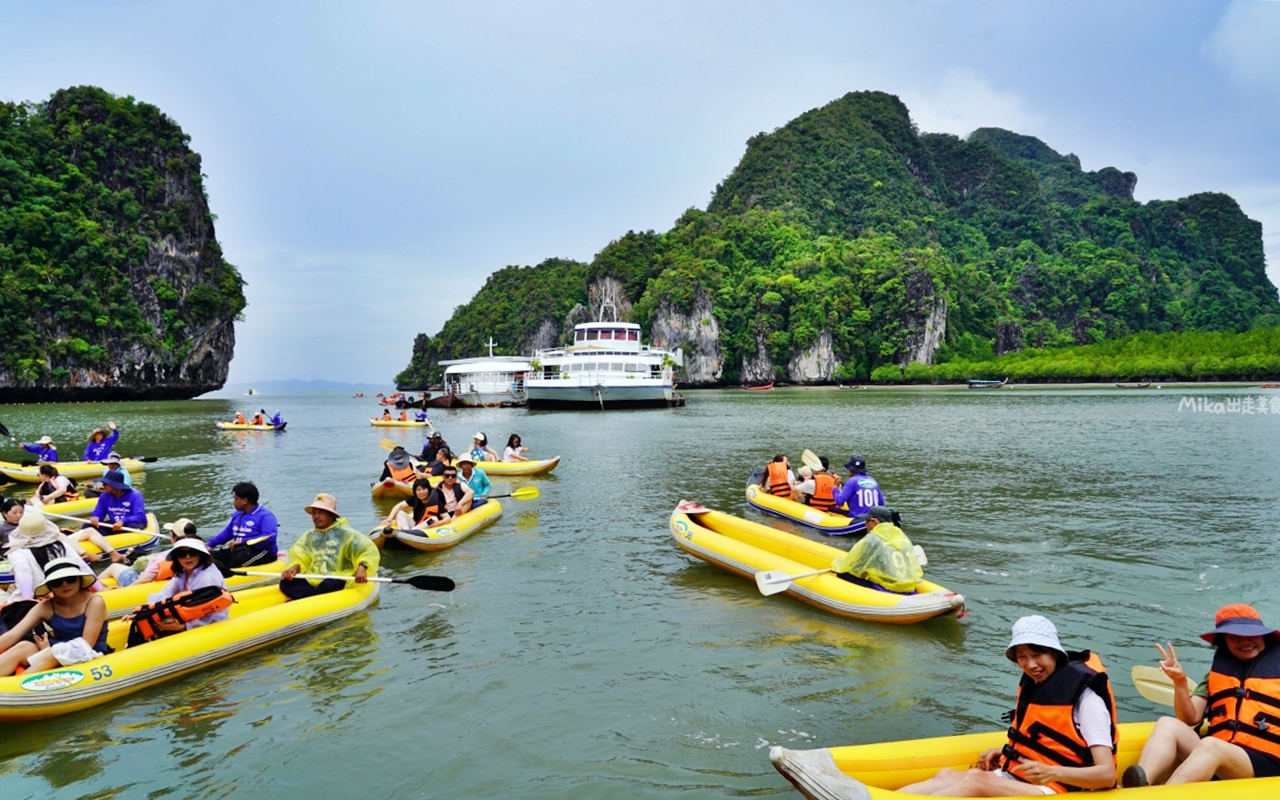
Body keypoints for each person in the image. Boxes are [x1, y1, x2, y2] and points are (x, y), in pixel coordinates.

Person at [899, 616, 1118, 796]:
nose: (1030, 665)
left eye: (1037, 654)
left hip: (1060, 788)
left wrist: (1052, 772)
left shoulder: (1088, 702)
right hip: (1026, 779)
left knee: (976, 781)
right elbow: (1041, 743)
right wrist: (1008, 754)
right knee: (945, 775)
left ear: (1054, 653)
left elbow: (1106, 775)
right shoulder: (1037, 687)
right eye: (1022, 657)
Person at [1120, 604, 1280, 788]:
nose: (1245, 642)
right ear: (1223, 642)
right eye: (1235, 636)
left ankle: (1161, 795)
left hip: (1267, 764)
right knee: (1167, 724)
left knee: (1211, 746)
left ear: (1264, 636)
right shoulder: (1216, 675)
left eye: (1252, 635)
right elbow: (1190, 717)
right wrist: (1180, 682)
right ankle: (1138, 786)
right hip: (1221, 753)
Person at [0, 557, 109, 676]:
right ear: (50, 587)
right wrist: (49, 650)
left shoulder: (94, 602)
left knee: (55, 652)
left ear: (79, 580)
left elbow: (86, 644)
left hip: (89, 653)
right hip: (55, 651)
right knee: (24, 646)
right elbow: (12, 635)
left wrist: (51, 651)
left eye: (70, 579)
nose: (65, 585)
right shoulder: (46, 606)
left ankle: (17, 687)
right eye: (57, 582)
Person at [279, 494, 379, 600]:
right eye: (314, 513)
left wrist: (362, 567)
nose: (316, 516)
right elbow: (300, 556)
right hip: (314, 578)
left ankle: (302, 597)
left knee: (330, 584)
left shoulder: (346, 533)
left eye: (321, 512)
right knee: (285, 583)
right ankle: (311, 596)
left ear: (331, 515)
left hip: (338, 577)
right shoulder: (309, 535)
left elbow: (367, 550)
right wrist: (294, 568)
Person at [4, 509, 102, 600]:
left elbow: (24, 572)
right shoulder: (62, 546)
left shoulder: (17, 551)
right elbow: (82, 566)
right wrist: (100, 589)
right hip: (65, 592)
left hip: (36, 597)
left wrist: (28, 600)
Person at [144, 538, 230, 631]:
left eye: (193, 553)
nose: (187, 557)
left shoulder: (208, 577)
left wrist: (183, 627)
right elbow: (165, 595)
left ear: (201, 554)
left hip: (210, 625)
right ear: (177, 557)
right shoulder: (183, 572)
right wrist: (144, 612)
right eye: (182, 554)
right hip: (187, 617)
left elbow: (207, 612)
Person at [830, 507, 922, 593]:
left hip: (889, 589)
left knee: (843, 574)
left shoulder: (872, 539)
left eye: (867, 520)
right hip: (910, 588)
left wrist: (837, 565)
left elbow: (854, 568)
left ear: (875, 521)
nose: (865, 524)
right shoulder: (902, 536)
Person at [208, 482, 279, 573]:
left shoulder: (265, 516)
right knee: (207, 557)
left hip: (262, 552)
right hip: (240, 550)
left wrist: (242, 541)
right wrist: (209, 544)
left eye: (236, 499)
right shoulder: (237, 515)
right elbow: (227, 533)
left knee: (236, 562)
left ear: (245, 501)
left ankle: (226, 574)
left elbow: (269, 537)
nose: (233, 502)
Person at [101, 518, 193, 588]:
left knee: (113, 567)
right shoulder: (196, 554)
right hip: (155, 578)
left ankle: (95, 588)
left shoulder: (165, 558)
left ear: (172, 537)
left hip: (135, 580)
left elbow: (145, 579)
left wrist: (124, 591)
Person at [80, 470, 145, 561]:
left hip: (132, 523)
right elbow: (98, 513)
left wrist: (123, 521)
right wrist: (95, 518)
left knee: (130, 524)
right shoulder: (104, 496)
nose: (103, 486)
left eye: (105, 484)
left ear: (114, 485)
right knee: (87, 525)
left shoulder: (135, 495)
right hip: (114, 524)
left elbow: (139, 516)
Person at [830, 457, 885, 527]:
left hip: (857, 518)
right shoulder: (873, 481)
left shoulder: (851, 481)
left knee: (830, 508)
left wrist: (835, 486)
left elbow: (840, 502)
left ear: (851, 470)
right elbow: (881, 503)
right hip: (874, 518)